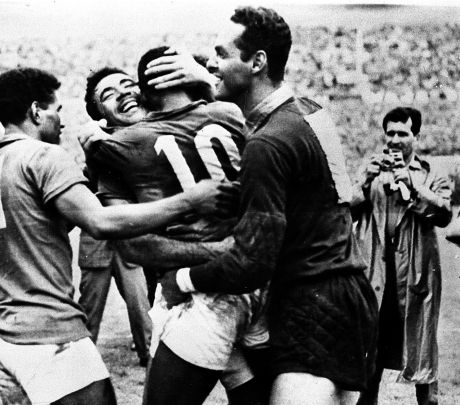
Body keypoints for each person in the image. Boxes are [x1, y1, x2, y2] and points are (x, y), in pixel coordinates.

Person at [0, 67, 236, 405]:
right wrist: (190, 200)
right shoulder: (44, 154)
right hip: (43, 331)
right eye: (57, 110)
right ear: (36, 111)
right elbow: (101, 223)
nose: (62, 122)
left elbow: (43, 226)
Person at [152, 7, 379, 405]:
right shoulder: (312, 111)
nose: (210, 62)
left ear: (257, 62)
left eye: (221, 54)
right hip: (350, 295)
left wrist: (181, 279)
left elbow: (251, 264)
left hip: (311, 302)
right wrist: (209, 80)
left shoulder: (266, 145)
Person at [88, 49, 267, 405]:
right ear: (100, 116)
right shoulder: (229, 114)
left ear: (145, 90)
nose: (123, 93)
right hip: (248, 278)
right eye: (108, 94)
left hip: (201, 292)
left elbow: (134, 245)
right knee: (248, 386)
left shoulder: (112, 148)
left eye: (128, 84)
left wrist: (203, 263)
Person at [351, 107, 452, 405]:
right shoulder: (370, 168)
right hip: (377, 270)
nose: (394, 140)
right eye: (390, 133)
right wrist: (364, 181)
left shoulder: (431, 172)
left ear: (416, 137)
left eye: (402, 133)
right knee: (371, 352)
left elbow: (444, 214)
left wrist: (413, 185)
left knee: (421, 347)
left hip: (416, 270)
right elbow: (344, 210)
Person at [77, 70, 152, 366]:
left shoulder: (143, 134)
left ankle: (149, 356)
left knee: (140, 304)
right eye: (107, 94)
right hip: (96, 241)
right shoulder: (95, 142)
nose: (122, 95)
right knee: (89, 307)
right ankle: (82, 363)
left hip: (127, 236)